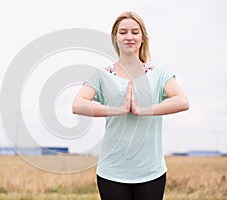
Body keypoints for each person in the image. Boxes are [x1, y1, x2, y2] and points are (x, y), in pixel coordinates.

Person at [72, 11, 189, 200]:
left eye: (135, 32)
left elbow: (182, 101)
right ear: (115, 38)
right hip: (112, 172)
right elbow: (78, 104)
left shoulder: (159, 74)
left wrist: (143, 111)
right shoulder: (101, 75)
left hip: (151, 171)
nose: (129, 37)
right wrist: (118, 110)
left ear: (142, 38)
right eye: (123, 32)